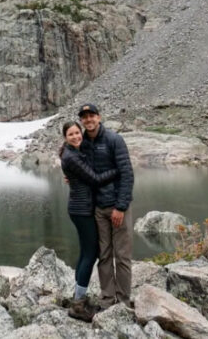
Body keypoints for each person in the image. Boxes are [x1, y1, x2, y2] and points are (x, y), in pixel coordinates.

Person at [58, 119, 119, 322]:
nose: (76, 136)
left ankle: (78, 297)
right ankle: (78, 304)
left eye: (77, 133)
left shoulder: (74, 152)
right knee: (90, 253)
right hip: (81, 210)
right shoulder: (71, 157)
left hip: (82, 207)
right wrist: (116, 171)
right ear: (65, 138)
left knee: (86, 251)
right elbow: (94, 179)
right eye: (71, 134)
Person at [78, 102, 134, 309]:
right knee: (104, 255)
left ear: (99, 117)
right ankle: (107, 299)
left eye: (92, 116)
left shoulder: (114, 139)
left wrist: (120, 207)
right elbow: (74, 162)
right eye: (84, 117)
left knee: (122, 256)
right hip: (98, 208)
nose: (88, 120)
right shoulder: (82, 142)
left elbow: (127, 174)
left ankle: (124, 300)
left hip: (117, 206)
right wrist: (70, 177)